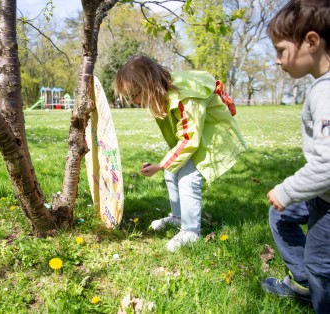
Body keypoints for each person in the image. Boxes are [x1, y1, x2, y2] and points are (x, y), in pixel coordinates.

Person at [114, 55, 247, 252]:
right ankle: (178, 217)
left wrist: (161, 164)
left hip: (211, 136)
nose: (133, 101)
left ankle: (191, 231)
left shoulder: (186, 97)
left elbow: (189, 138)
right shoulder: (164, 90)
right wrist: (166, 165)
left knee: (188, 178)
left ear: (149, 85)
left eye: (135, 95)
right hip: (195, 136)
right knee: (172, 172)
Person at [261, 1, 330, 313]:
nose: (277, 61)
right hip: (321, 194)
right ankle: (302, 282)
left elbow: (328, 164)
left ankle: (317, 292)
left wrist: (287, 190)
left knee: (321, 264)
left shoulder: (326, 93)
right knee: (281, 215)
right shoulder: (321, 87)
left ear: (311, 42)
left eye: (280, 50)